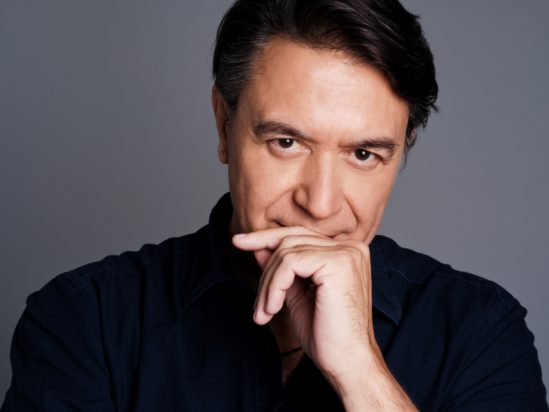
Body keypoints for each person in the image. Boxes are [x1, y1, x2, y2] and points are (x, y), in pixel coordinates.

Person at [1, 0, 547, 410]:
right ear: (224, 125)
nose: (320, 204)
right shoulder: (87, 322)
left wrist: (362, 372)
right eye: (287, 142)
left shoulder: (479, 332)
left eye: (363, 154)